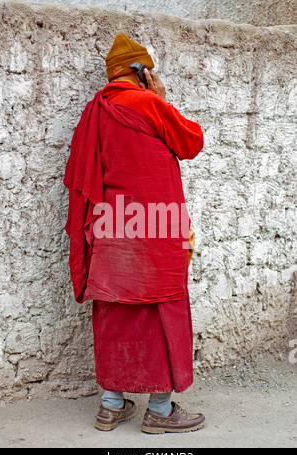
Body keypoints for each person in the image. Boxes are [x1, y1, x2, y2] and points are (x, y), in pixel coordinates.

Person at [64, 33, 205, 434]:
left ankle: (111, 406)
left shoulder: (96, 110)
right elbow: (192, 141)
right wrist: (161, 97)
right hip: (157, 229)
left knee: (115, 309)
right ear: (141, 73)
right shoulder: (147, 102)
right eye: (152, 73)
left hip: (112, 230)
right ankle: (160, 413)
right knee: (165, 308)